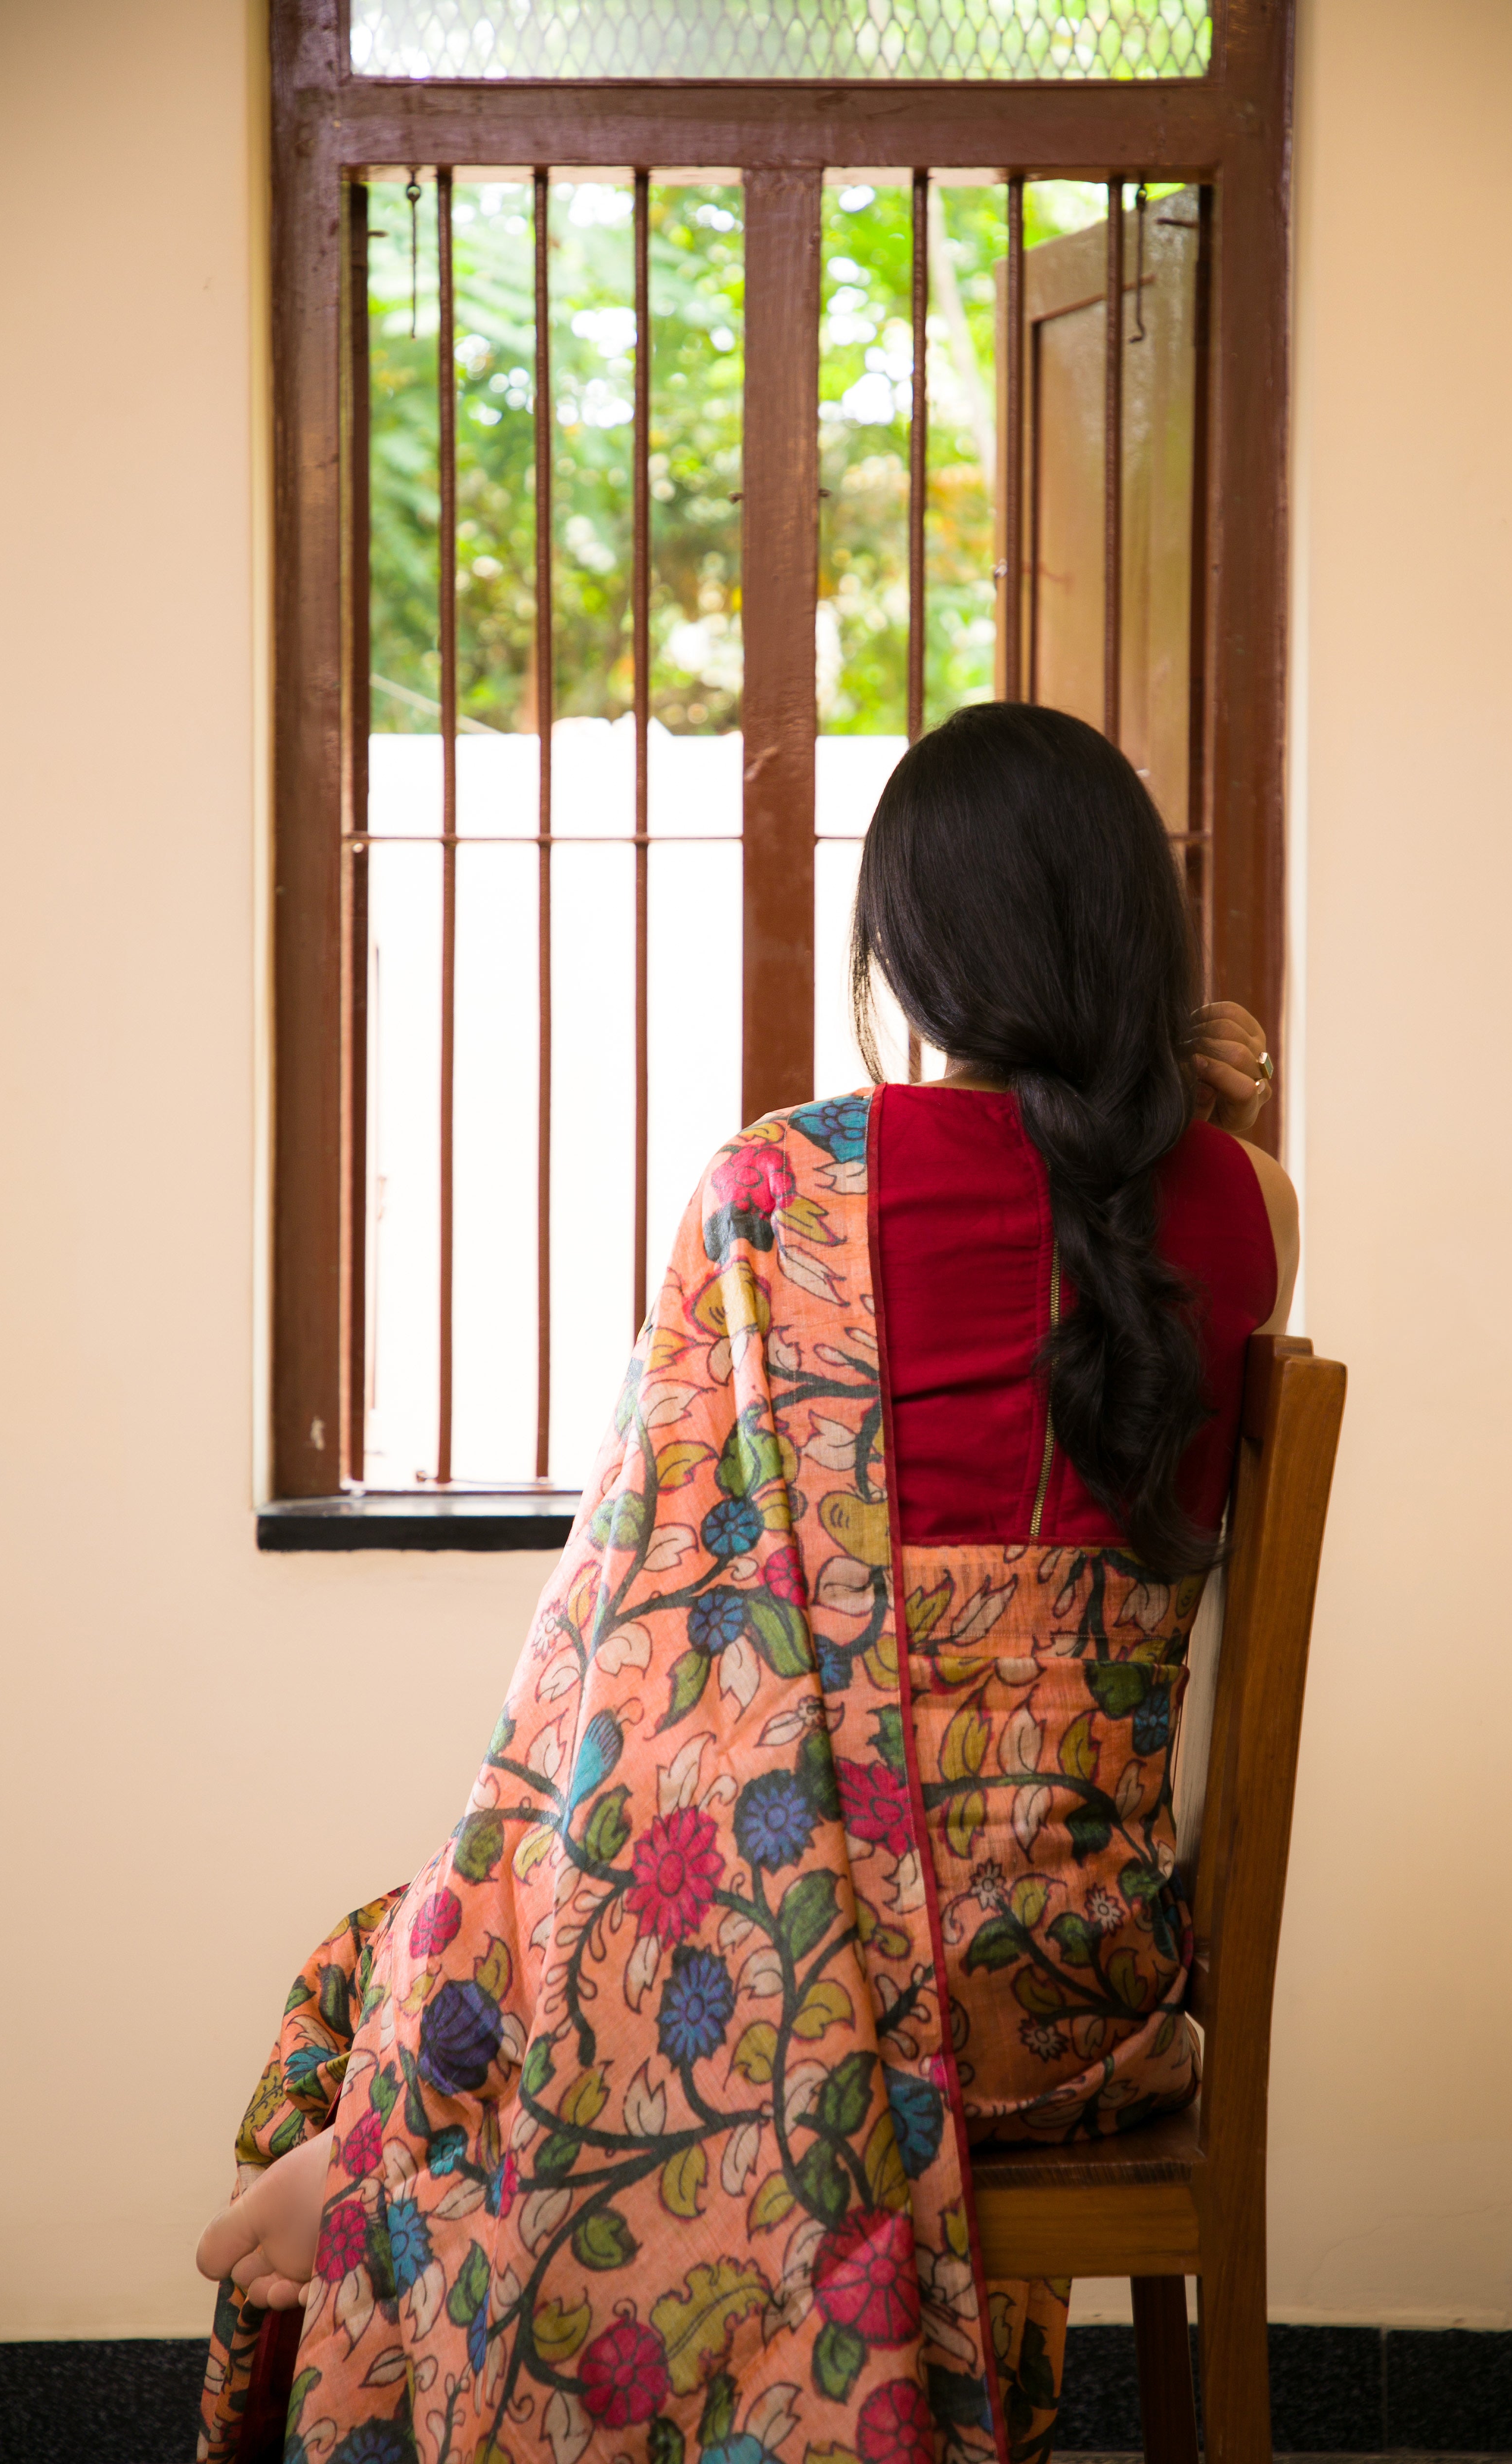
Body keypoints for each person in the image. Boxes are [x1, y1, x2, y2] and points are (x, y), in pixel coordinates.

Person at [197, 702, 1297, 2464]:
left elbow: (640, 1642)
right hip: (1086, 1981)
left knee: (385, 1965)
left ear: (916, 952)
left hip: (837, 1970)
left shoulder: (781, 1191)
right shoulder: (1251, 1195)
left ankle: (385, 2153)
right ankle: (390, 2143)